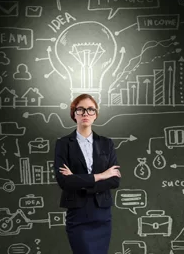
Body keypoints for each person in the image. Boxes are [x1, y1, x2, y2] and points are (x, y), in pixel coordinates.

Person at [53, 94, 121, 254]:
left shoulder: (106, 143)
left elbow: (115, 181)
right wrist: (101, 175)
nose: (85, 113)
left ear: (96, 114)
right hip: (77, 214)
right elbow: (65, 182)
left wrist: (79, 181)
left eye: (90, 109)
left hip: (102, 214)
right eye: (81, 109)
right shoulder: (63, 144)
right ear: (74, 114)